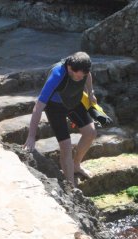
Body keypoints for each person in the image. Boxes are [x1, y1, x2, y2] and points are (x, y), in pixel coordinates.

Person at [23, 51, 97, 187]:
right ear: (69, 67)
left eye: (81, 76)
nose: (78, 78)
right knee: (66, 146)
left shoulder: (83, 71)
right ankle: (71, 187)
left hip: (73, 100)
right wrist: (31, 136)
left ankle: (76, 165)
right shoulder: (57, 75)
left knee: (90, 133)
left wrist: (91, 92)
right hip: (55, 107)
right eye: (75, 75)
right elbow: (38, 107)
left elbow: (88, 76)